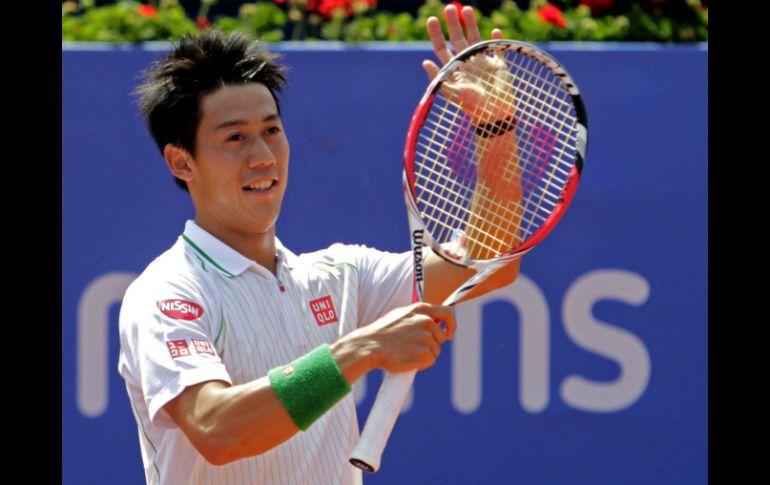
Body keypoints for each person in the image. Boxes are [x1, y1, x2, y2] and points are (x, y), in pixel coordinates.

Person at [118, 4, 521, 484]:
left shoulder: (340, 274)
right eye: (235, 138)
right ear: (181, 163)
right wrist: (363, 350)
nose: (263, 156)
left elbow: (489, 262)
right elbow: (218, 429)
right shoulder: (169, 292)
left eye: (271, 131)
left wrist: (495, 128)